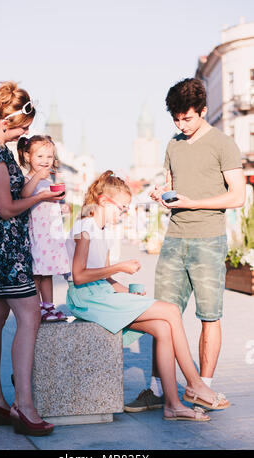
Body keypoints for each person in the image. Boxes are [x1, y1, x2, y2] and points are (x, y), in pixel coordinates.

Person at [65, 170, 230, 422]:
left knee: (163, 328)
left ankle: (173, 405)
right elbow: (79, 276)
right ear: (103, 201)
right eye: (121, 208)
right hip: (86, 300)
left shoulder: (102, 230)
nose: (122, 214)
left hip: (101, 295)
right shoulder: (83, 227)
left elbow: (105, 279)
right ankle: (194, 385)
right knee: (171, 311)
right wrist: (119, 267)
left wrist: (128, 292)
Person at [125, 77, 246, 412]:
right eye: (176, 119)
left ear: (203, 110)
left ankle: (201, 389)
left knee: (210, 316)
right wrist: (161, 196)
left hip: (208, 240)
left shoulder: (224, 144)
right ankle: (155, 389)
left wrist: (193, 203)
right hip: (175, 239)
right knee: (161, 316)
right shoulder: (173, 145)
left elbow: (237, 196)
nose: (181, 125)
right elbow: (170, 185)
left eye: (187, 118)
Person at [0, 81, 65, 436]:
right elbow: (6, 208)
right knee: (29, 316)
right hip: (4, 250)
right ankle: (23, 406)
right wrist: (40, 199)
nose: (27, 131)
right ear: (8, 119)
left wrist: (39, 181)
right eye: (24, 125)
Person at [18, 135, 70, 322]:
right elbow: (24, 195)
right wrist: (38, 176)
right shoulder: (27, 178)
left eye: (49, 157)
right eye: (40, 157)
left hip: (49, 234)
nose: (45, 161)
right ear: (27, 157)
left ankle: (49, 306)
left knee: (46, 273)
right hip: (35, 234)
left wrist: (61, 206)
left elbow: (49, 203)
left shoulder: (49, 181)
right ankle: (38, 307)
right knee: (36, 274)